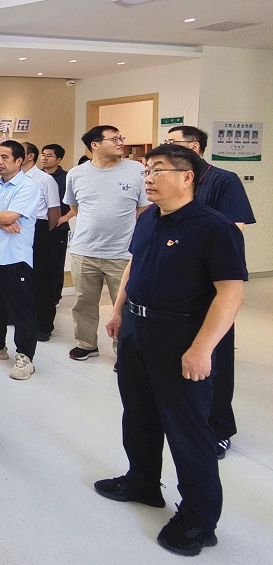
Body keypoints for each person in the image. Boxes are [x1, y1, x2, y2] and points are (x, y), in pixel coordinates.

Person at [95, 144, 246, 557]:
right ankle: (142, 482)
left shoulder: (215, 227)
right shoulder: (148, 218)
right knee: (138, 413)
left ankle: (199, 519)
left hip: (181, 336)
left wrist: (202, 348)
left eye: (158, 170)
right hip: (137, 329)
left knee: (188, 430)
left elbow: (230, 293)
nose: (148, 178)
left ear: (187, 176)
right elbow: (134, 264)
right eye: (146, 170)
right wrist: (120, 310)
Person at [166, 125, 256, 459]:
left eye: (172, 143)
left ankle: (219, 428)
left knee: (216, 356)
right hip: (174, 282)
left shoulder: (222, 181)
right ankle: (184, 419)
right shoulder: (173, 180)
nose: (166, 147)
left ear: (193, 147)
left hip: (211, 282)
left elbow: (234, 229)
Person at [62, 126, 149, 361]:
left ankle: (124, 353)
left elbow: (143, 211)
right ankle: (86, 344)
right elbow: (74, 207)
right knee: (84, 302)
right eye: (114, 139)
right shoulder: (76, 174)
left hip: (123, 253)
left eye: (121, 137)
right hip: (84, 251)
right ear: (95, 145)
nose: (121, 142)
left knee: (124, 306)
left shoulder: (136, 170)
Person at [0, 141, 41, 380]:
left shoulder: (29, 186)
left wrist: (1, 219)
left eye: (5, 157)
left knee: (21, 311)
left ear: (19, 161)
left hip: (16, 258)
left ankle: (25, 357)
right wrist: (2, 221)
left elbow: (9, 216)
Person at [22, 142, 62, 342]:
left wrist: (44, 233)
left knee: (41, 279)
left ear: (30, 156)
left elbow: (54, 211)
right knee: (20, 276)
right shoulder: (13, 178)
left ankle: (44, 325)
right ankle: (21, 317)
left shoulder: (45, 179)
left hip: (39, 228)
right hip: (18, 228)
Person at [38, 143, 70, 310]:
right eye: (43, 154)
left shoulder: (66, 177)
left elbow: (76, 203)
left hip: (58, 228)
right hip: (41, 228)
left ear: (58, 159)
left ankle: (55, 297)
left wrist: (64, 218)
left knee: (55, 264)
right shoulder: (37, 176)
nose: (44, 158)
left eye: (49, 155)